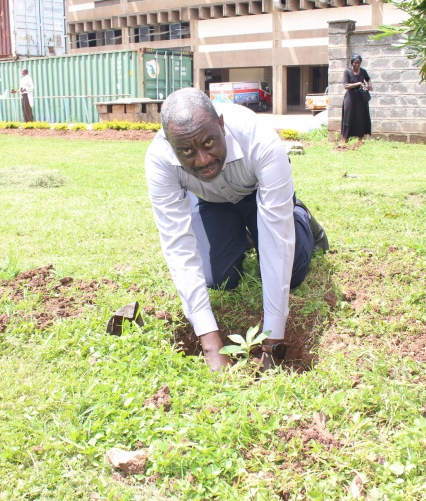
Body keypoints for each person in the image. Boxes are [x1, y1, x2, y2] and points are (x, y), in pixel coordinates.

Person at [145, 88, 328, 371]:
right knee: (218, 279)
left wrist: (272, 341)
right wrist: (210, 343)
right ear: (170, 145)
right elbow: (177, 245)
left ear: (221, 123)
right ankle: (242, 234)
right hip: (211, 201)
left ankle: (302, 218)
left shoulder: (260, 140)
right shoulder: (158, 160)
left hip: (257, 193)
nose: (203, 159)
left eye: (209, 143)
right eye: (187, 151)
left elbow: (277, 243)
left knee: (292, 272)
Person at [341, 54, 372, 144]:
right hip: (350, 97)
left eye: (359, 63)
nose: (357, 65)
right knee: (348, 116)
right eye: (355, 63)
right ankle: (345, 139)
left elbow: (368, 79)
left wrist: (369, 85)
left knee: (360, 117)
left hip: (360, 98)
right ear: (352, 63)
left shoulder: (363, 71)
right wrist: (358, 83)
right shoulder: (347, 71)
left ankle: (360, 140)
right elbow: (346, 86)